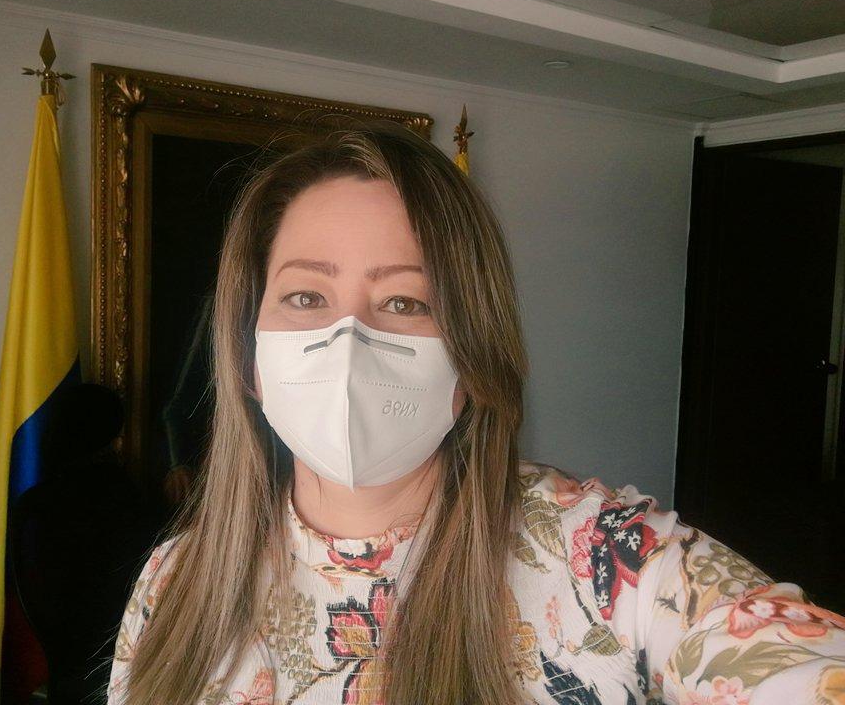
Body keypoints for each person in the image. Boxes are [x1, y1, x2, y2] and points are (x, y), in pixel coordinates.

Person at [104, 119, 845, 705]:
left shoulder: (607, 561)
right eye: (306, 297)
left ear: (471, 358)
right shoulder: (176, 579)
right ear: (250, 354)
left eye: (405, 302)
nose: (349, 341)